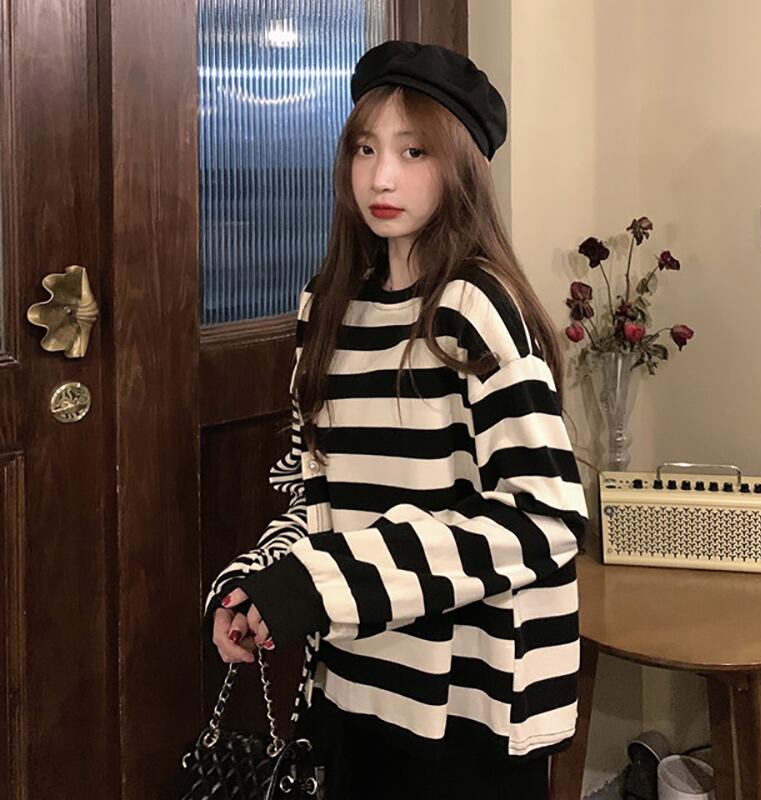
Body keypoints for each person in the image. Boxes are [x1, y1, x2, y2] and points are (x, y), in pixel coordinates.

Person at [204, 39, 589, 800]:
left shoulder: (475, 307)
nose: (381, 177)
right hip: (355, 680)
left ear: (460, 168)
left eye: (414, 152)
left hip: (469, 701)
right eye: (365, 149)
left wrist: (323, 582)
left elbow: (545, 518)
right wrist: (259, 584)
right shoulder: (328, 306)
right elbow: (317, 494)